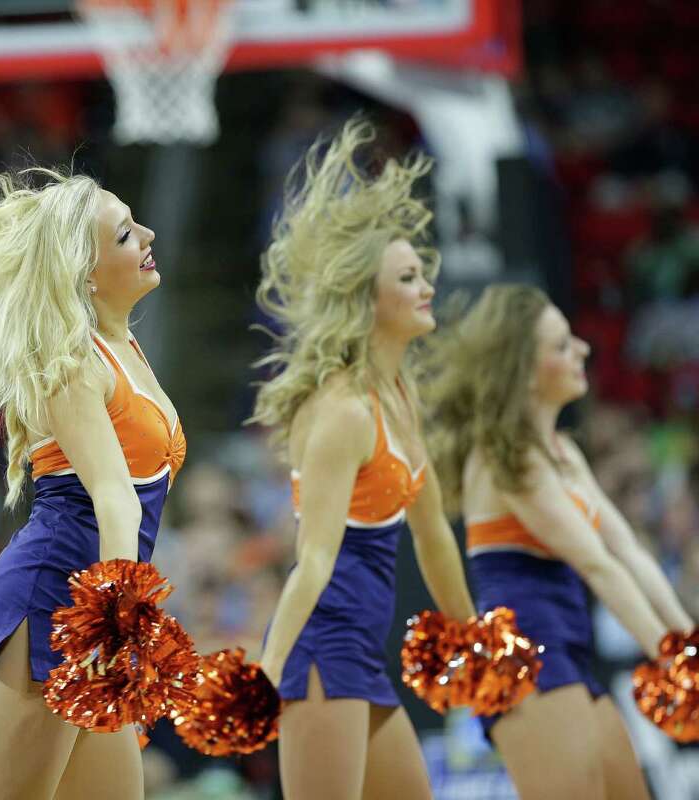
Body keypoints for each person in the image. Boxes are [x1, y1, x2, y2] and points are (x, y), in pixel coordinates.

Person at [0, 161, 185, 800]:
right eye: (127, 234)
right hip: (53, 607)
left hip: (98, 607)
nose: (150, 234)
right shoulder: (73, 365)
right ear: (86, 274)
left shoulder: (123, 348)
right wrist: (118, 625)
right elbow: (115, 502)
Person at [249, 119, 475, 800]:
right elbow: (314, 558)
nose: (426, 286)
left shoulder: (398, 393)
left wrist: (473, 638)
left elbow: (433, 533)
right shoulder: (346, 411)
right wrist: (265, 672)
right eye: (408, 278)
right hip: (321, 652)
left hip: (359, 655)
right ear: (368, 301)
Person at [423, 283, 693, 800]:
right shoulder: (510, 458)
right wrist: (669, 656)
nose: (583, 351)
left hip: (569, 652)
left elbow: (627, 551)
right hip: (526, 658)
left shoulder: (564, 451)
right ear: (524, 370)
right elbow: (596, 566)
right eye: (563, 345)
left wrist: (686, 641)